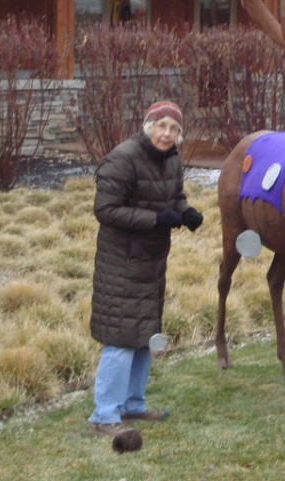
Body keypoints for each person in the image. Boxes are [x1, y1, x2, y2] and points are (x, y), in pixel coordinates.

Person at [88, 100, 204, 435]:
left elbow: (175, 197)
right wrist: (156, 220)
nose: (166, 134)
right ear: (148, 126)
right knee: (121, 340)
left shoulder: (172, 160)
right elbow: (106, 209)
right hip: (121, 263)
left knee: (144, 336)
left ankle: (133, 406)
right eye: (161, 126)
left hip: (152, 263)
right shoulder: (123, 158)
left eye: (174, 129)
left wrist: (186, 212)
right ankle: (104, 415)